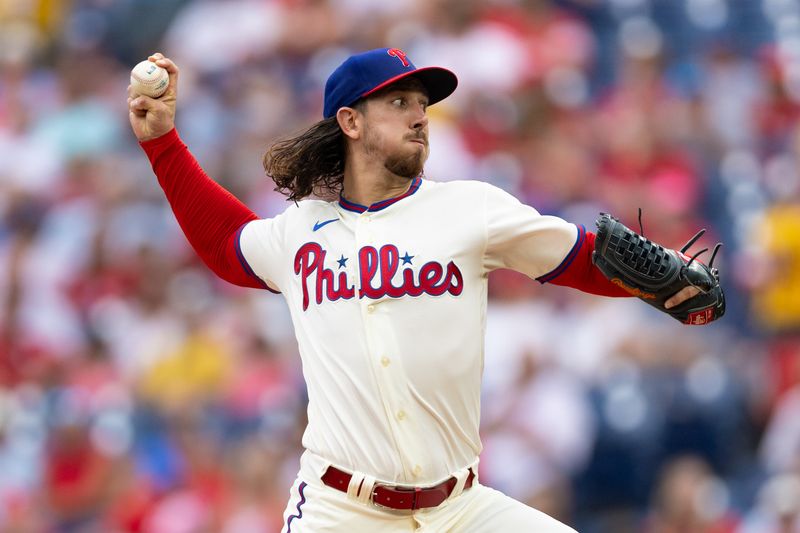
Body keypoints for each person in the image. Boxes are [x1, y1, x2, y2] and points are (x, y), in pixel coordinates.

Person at [128, 48, 705, 533]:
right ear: (350, 122)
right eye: (399, 102)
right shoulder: (300, 229)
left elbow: (580, 256)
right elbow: (227, 241)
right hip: (340, 511)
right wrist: (164, 146)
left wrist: (666, 286)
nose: (420, 117)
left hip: (461, 509)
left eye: (423, 105)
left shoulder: (469, 209)